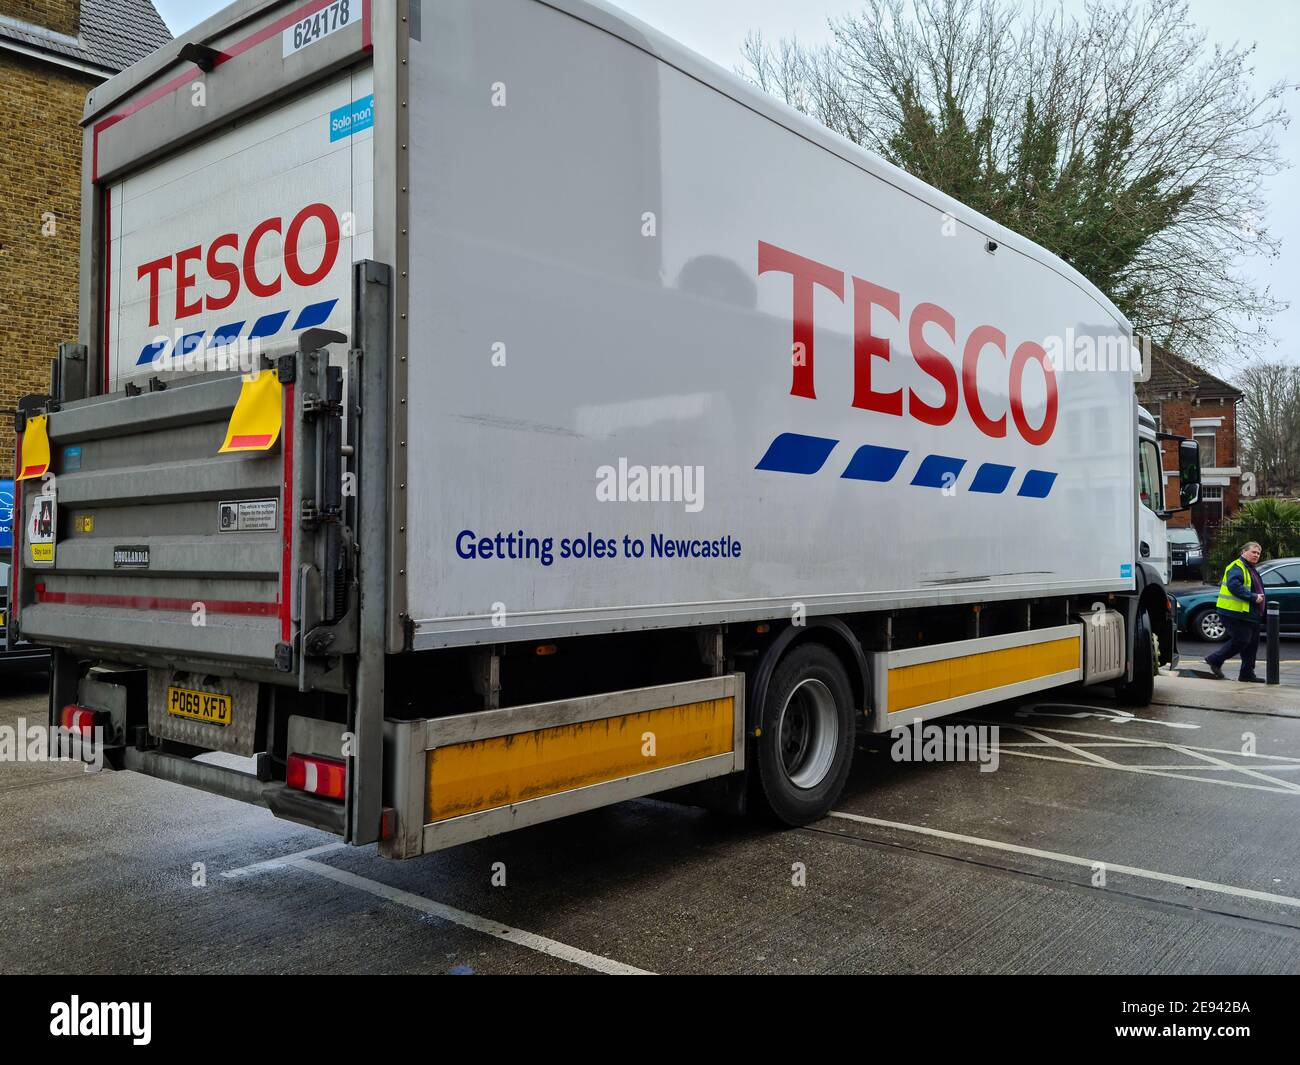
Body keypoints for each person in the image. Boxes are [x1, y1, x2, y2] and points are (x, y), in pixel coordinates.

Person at [1205, 541, 1266, 683]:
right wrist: (1253, 597)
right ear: (1243, 552)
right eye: (1253, 552)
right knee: (1242, 640)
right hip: (1233, 612)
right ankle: (1215, 659)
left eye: (1258, 553)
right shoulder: (1237, 566)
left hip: (1249, 614)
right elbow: (1234, 586)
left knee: (1251, 645)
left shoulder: (1250, 568)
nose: (1256, 555)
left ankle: (1247, 674)